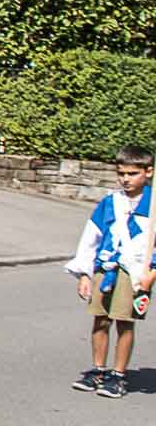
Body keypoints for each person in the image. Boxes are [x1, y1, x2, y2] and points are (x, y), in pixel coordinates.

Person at [67, 146, 153, 398]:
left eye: (133, 173)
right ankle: (98, 369)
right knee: (100, 320)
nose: (126, 179)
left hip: (135, 272)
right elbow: (90, 238)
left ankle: (119, 374)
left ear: (148, 172)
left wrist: (150, 276)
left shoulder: (153, 205)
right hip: (106, 268)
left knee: (125, 323)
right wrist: (84, 273)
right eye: (121, 173)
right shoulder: (109, 203)